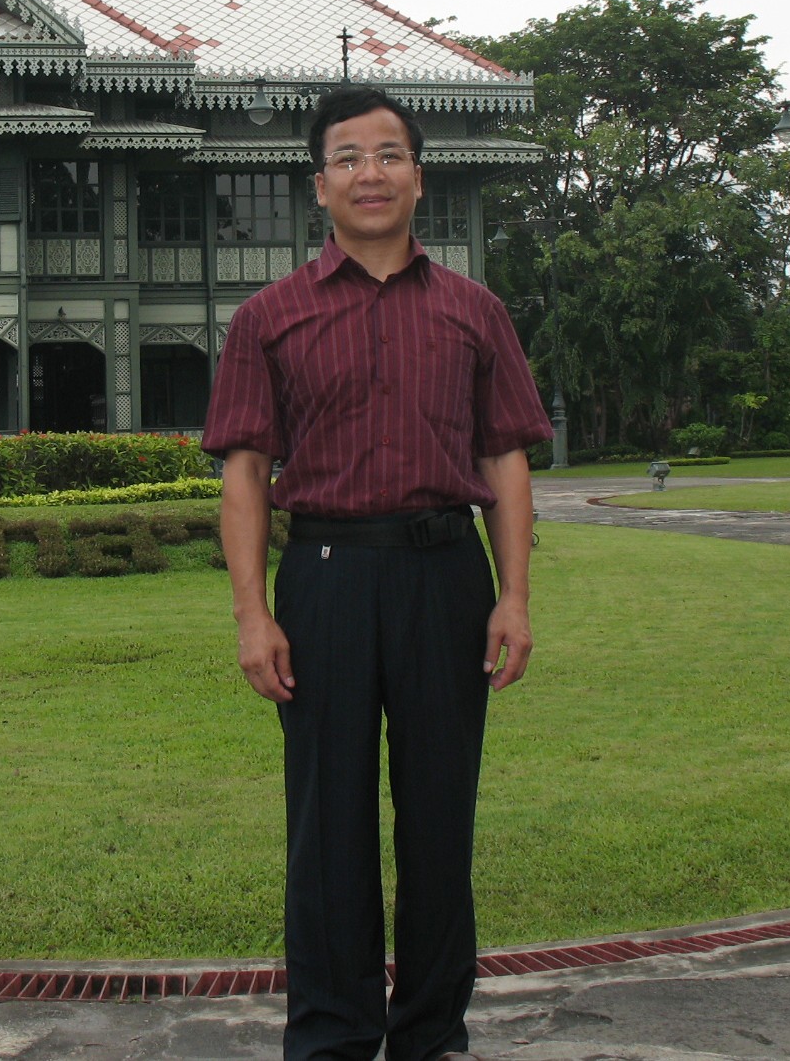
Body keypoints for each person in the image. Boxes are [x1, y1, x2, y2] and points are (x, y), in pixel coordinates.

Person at [202, 86, 551, 1061]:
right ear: (320, 186)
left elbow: (505, 459)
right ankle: (331, 1037)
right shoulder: (269, 318)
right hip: (325, 582)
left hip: (445, 577)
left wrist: (514, 597)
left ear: (418, 177)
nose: (370, 173)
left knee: (441, 818)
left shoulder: (475, 312)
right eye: (348, 158)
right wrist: (252, 615)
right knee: (328, 827)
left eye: (389, 154)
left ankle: (433, 1036)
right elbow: (244, 473)